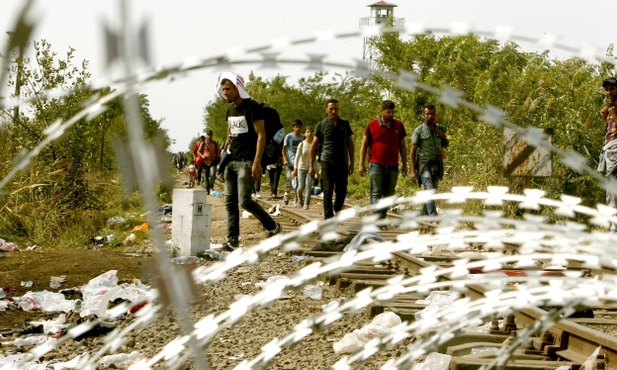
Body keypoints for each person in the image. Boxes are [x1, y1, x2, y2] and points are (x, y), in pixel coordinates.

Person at [216, 70, 282, 250]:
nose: (226, 92)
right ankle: (232, 241)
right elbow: (230, 135)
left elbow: (261, 135)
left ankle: (273, 226)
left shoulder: (252, 107)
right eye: (224, 89)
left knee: (244, 201)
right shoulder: (229, 109)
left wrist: (257, 162)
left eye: (229, 88)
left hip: (247, 160)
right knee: (229, 203)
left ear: (238, 88)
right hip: (231, 161)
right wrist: (222, 159)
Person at [358, 100, 408, 221]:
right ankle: (377, 220)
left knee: (389, 193)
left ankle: (381, 217)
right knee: (376, 192)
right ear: (382, 111)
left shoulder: (399, 125)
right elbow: (364, 145)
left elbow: (402, 145)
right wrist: (361, 164)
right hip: (376, 164)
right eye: (388, 112)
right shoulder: (372, 125)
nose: (391, 114)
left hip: (392, 165)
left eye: (392, 112)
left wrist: (405, 165)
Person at [310, 98, 355, 219]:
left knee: (342, 190)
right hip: (327, 161)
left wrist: (352, 162)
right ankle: (328, 216)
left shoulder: (344, 124)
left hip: (342, 161)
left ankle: (337, 209)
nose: (334, 111)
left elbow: (350, 143)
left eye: (335, 109)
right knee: (328, 189)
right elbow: (313, 146)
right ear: (326, 110)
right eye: (331, 109)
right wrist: (312, 166)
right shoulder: (322, 125)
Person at [410, 104, 449, 217]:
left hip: (437, 161)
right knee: (429, 188)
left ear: (435, 114)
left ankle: (423, 215)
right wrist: (413, 171)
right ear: (424, 115)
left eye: (432, 114)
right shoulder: (419, 131)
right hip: (424, 162)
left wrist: (443, 137)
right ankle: (433, 216)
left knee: (433, 190)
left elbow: (445, 144)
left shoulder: (440, 128)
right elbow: (412, 152)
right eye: (427, 114)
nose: (430, 116)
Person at [597, 77, 617, 233]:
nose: (608, 92)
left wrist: (613, 115)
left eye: (612, 89)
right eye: (607, 89)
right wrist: (606, 117)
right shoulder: (612, 106)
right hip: (609, 147)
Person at [282, 119, 304, 206]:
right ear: (293, 128)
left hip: (298, 163)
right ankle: (286, 194)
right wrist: (284, 159)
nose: (297, 128)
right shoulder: (289, 137)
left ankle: (296, 200)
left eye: (299, 127)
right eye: (296, 127)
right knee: (289, 179)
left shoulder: (303, 137)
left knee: (298, 182)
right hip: (290, 162)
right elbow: (283, 149)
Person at [293, 126, 315, 210]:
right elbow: (297, 158)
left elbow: (315, 158)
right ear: (305, 134)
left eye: (311, 132)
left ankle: (306, 204)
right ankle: (299, 198)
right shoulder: (301, 144)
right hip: (301, 167)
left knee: (308, 186)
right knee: (301, 186)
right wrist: (295, 169)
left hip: (310, 168)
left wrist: (317, 170)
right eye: (308, 132)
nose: (309, 134)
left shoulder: (314, 144)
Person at [201, 130, 220, 194]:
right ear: (206, 135)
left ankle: (211, 186)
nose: (209, 136)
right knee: (206, 177)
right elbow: (198, 151)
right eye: (208, 134)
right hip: (205, 162)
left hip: (213, 162)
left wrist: (219, 160)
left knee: (212, 175)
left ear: (212, 135)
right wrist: (202, 155)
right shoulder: (203, 143)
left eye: (210, 135)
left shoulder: (215, 143)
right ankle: (207, 190)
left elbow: (218, 153)